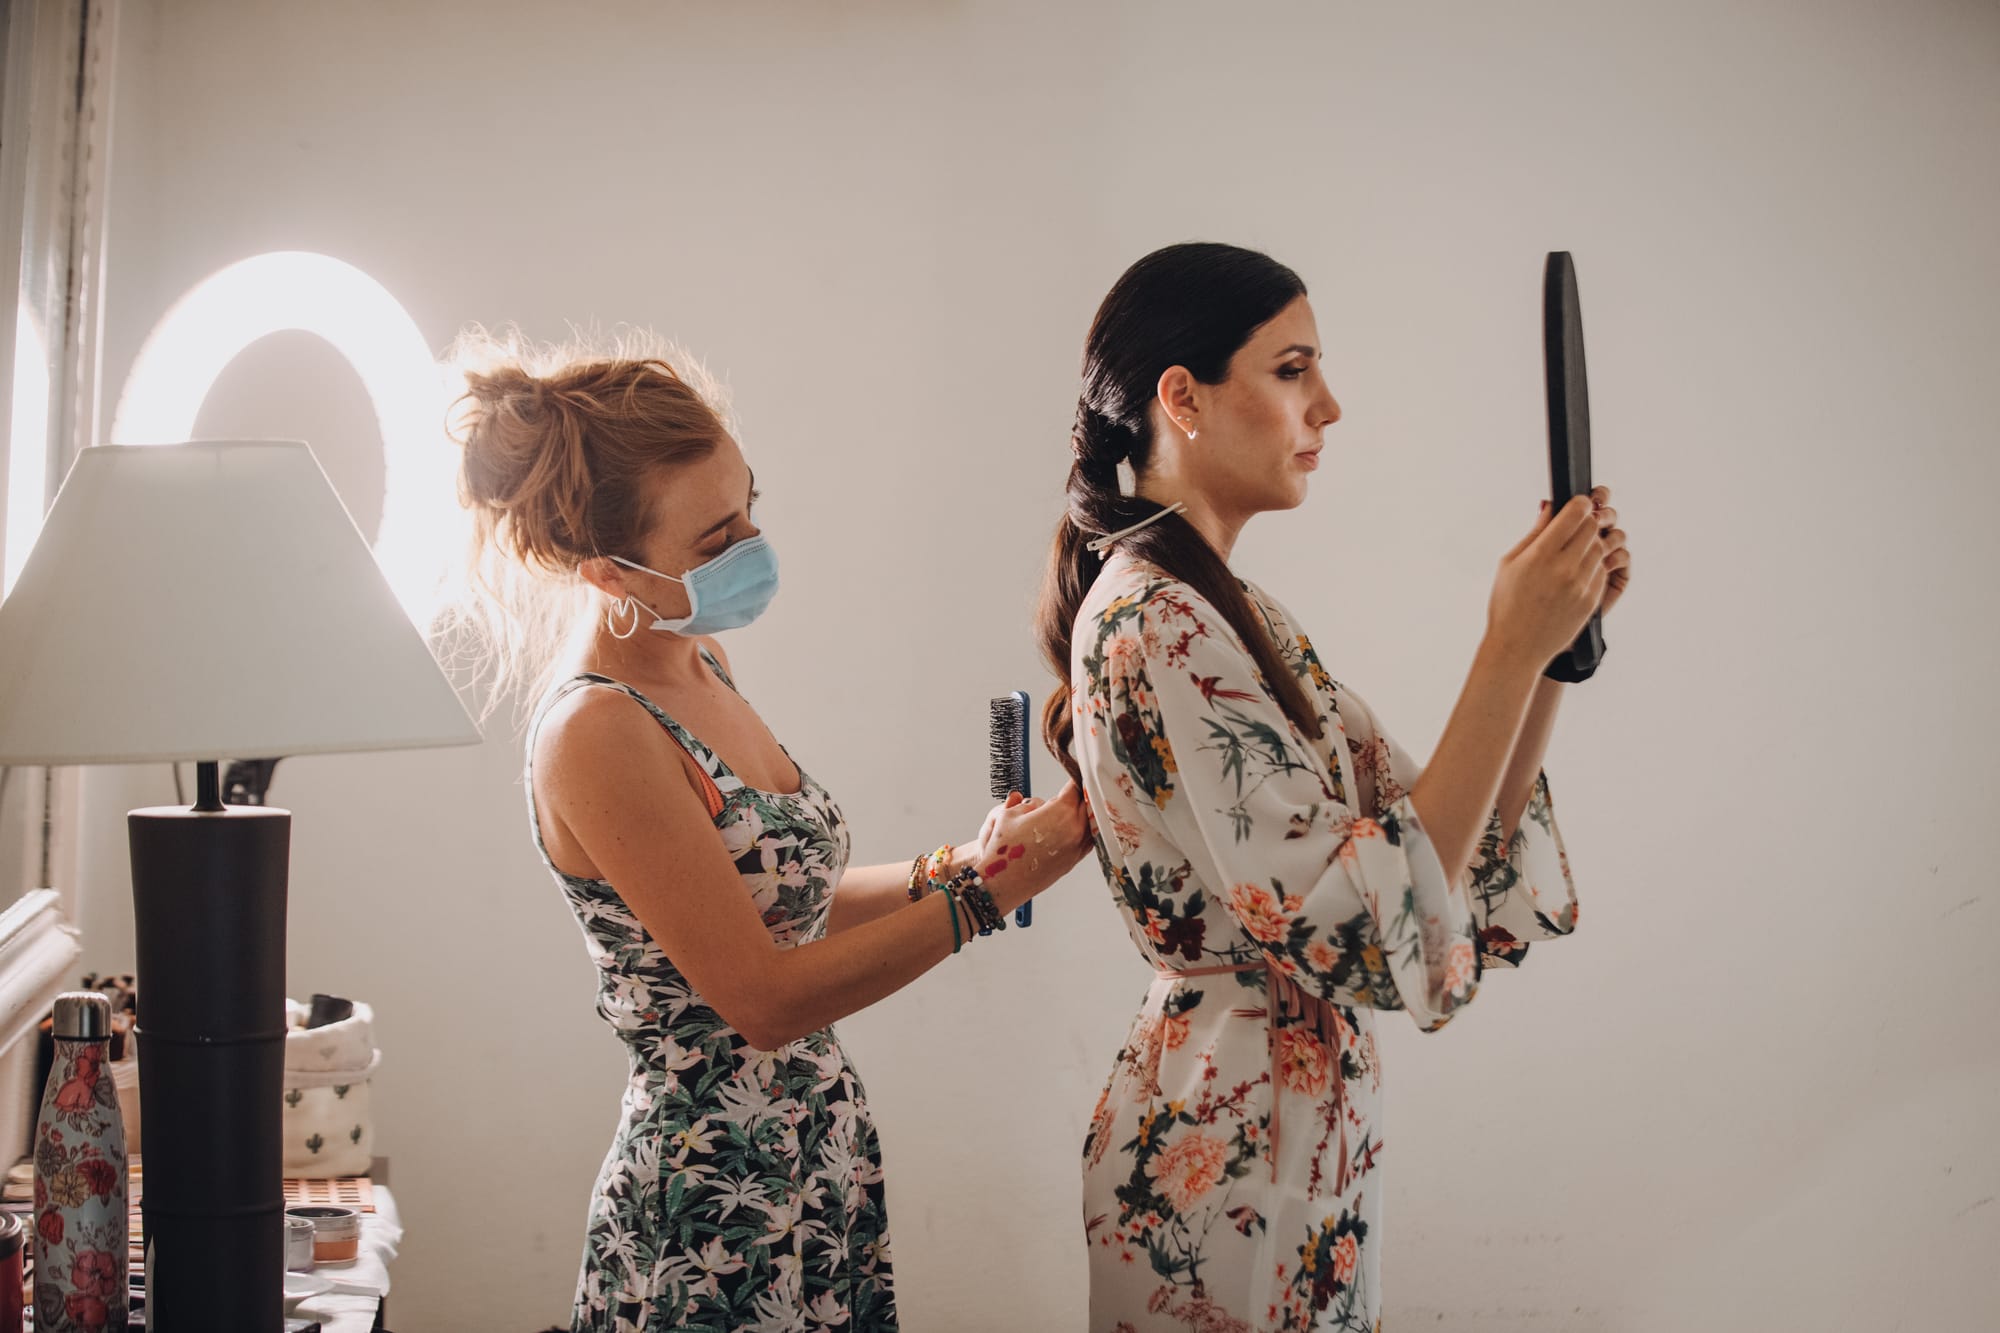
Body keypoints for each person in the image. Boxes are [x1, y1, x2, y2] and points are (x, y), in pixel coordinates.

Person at [1036, 244, 1630, 1330]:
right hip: (1223, 1142)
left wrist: (1545, 652)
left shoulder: (1225, 610)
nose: (1328, 405)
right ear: (1185, 398)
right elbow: (1363, 917)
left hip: (1284, 1123)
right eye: (1291, 369)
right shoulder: (1154, 623)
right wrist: (1503, 648)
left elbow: (1436, 852)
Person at [449, 330, 1091, 1332]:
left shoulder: (697, 662)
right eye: (713, 542)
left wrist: (960, 864)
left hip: (811, 1161)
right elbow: (760, 996)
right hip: (713, 1206)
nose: (749, 548)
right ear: (607, 572)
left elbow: (782, 909)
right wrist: (987, 897)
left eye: (749, 509)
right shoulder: (597, 730)